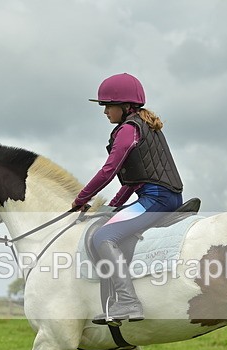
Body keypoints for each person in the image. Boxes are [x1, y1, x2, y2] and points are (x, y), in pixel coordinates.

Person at [72, 73, 184, 324]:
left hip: (156, 200)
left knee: (103, 236)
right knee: (109, 223)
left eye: (107, 106)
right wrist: (111, 207)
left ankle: (128, 301)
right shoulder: (142, 126)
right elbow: (133, 182)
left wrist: (81, 199)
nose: (104, 112)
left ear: (124, 106)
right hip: (162, 196)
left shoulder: (128, 130)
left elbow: (108, 171)